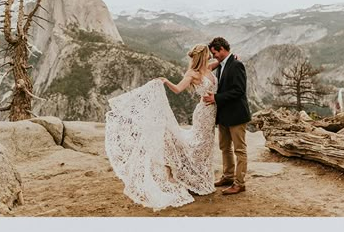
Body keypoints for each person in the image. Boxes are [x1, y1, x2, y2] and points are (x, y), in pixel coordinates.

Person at [104, 44, 218, 211]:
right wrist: (166, 81)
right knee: (200, 144)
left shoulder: (209, 67)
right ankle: (194, 178)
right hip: (203, 113)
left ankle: (203, 178)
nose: (211, 56)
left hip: (212, 111)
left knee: (206, 146)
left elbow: (221, 62)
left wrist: (232, 58)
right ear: (203, 56)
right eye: (208, 54)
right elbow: (178, 89)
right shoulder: (192, 74)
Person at [203, 37, 252, 196]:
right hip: (224, 115)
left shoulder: (237, 65)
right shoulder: (221, 65)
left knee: (239, 150)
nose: (214, 56)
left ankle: (239, 183)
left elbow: (239, 90)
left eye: (215, 53)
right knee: (225, 148)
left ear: (223, 49)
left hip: (237, 115)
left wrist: (216, 98)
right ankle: (228, 176)